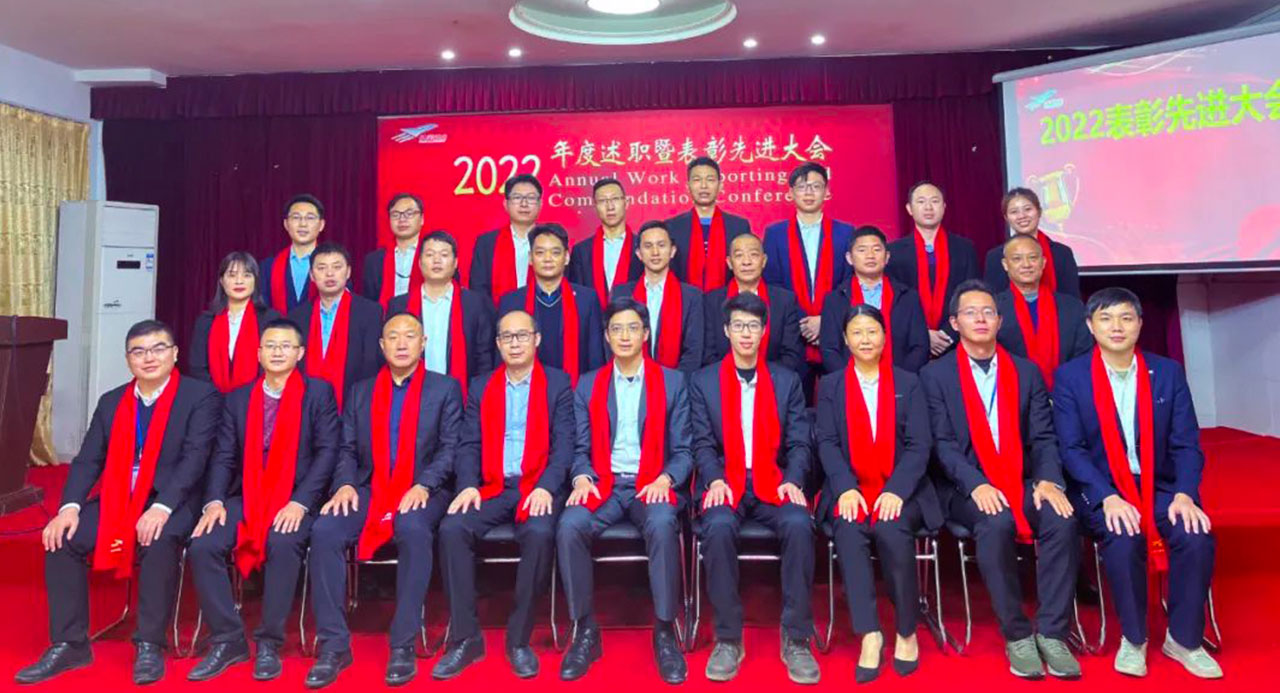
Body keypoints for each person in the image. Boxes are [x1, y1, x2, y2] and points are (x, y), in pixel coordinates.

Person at [16, 320, 221, 686]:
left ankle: (149, 643)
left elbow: (195, 459)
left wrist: (162, 507)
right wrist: (69, 508)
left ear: (175, 354)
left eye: (158, 349)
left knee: (158, 538)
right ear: (128, 360)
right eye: (138, 351)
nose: (149, 358)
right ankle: (70, 644)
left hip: (173, 499)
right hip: (119, 497)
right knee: (61, 539)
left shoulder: (200, 396)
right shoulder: (113, 401)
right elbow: (88, 460)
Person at [1052, 287, 1221, 679]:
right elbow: (1071, 450)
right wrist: (1106, 497)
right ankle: (1134, 638)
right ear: (1091, 326)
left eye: (1126, 318)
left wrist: (1185, 493)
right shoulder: (1071, 377)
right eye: (1106, 318)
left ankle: (1184, 639)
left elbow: (1186, 444)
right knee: (1123, 535)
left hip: (1159, 485)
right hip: (1101, 487)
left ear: (1140, 324)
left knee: (1195, 535)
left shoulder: (1167, 373)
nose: (1117, 327)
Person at [919, 279, 1081, 680]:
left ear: (999, 320)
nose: (980, 319)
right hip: (964, 486)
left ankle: (1053, 632)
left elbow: (1043, 437)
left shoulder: (1025, 372)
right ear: (954, 323)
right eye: (970, 312)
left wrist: (1047, 480)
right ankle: (1018, 633)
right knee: (995, 522)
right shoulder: (934, 375)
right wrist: (976, 483)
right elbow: (941, 444)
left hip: (1019, 480)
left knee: (1062, 519)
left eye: (988, 312)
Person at [303, 312, 463, 688]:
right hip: (369, 486)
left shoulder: (445, 389)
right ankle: (334, 645)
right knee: (325, 531)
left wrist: (424, 485)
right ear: (382, 345)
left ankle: (403, 643)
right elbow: (346, 448)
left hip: (425, 488)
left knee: (413, 528)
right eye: (393, 336)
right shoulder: (361, 391)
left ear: (423, 343)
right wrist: (344, 483)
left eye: (410, 336)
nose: (402, 343)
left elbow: (450, 449)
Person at [186, 319, 340, 682]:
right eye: (270, 346)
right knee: (203, 544)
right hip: (248, 493)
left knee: (283, 542)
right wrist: (214, 501)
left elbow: (327, 452)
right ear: (258, 353)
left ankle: (269, 641)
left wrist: (301, 502)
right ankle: (229, 638)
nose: (277, 352)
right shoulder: (239, 399)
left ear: (300, 353)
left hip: (296, 495)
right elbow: (224, 456)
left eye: (286, 346)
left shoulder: (318, 393)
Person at [432, 309, 575, 681]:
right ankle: (466, 638)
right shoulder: (482, 386)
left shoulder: (558, 383)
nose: (515, 343)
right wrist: (467, 485)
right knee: (452, 529)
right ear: (497, 344)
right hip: (493, 486)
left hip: (537, 485)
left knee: (540, 533)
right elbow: (468, 444)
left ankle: (519, 639)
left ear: (536, 340)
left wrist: (545, 487)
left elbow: (564, 448)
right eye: (507, 337)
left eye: (522, 335)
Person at [556, 298, 693, 683]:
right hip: (604, 482)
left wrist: (666, 479)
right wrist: (582, 476)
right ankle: (585, 630)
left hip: (652, 483)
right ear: (606, 336)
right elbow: (579, 448)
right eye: (616, 329)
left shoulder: (672, 382)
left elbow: (684, 451)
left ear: (646, 334)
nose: (625, 336)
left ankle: (664, 630)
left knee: (663, 524)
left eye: (633, 328)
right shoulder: (588, 384)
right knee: (569, 526)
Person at [689, 292, 819, 684]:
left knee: (799, 524)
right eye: (739, 326)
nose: (746, 333)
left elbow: (800, 442)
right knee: (717, 527)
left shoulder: (786, 380)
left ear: (764, 332)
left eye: (753, 326)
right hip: (725, 480)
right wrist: (713, 479)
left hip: (773, 480)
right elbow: (701, 443)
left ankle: (796, 637)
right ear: (727, 331)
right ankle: (729, 637)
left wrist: (793, 480)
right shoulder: (704, 381)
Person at [815, 305, 942, 682]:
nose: (865, 339)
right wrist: (845, 487)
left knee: (891, 527)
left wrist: (896, 491)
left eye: (872, 331)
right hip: (851, 488)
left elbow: (919, 445)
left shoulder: (908, 382)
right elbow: (827, 442)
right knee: (849, 529)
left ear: (885, 337)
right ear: (845, 339)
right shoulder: (831, 385)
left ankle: (906, 630)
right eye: (857, 332)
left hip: (903, 489)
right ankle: (870, 633)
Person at [762, 161, 855, 367]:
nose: (809, 192)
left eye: (816, 186)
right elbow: (772, 283)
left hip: (836, 332)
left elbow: (848, 281)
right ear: (791, 193)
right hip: (791, 333)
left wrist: (825, 319)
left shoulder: (845, 233)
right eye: (802, 187)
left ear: (826, 192)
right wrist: (803, 321)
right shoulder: (775, 234)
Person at [389, 230, 496, 398]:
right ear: (419, 263)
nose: (437, 260)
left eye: (444, 255)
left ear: (455, 263)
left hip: (462, 396)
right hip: (410, 395)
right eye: (430, 255)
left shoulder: (475, 304)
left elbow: (484, 357)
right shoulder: (399, 305)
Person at [497, 223, 605, 384]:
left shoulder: (587, 299)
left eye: (555, 252)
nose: (548, 259)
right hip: (526, 390)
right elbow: (502, 358)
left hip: (575, 391)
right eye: (540, 253)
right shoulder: (511, 302)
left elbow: (595, 356)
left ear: (566, 257)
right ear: (530, 258)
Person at [886, 181, 979, 358]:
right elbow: (895, 301)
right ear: (909, 209)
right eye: (921, 201)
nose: (928, 207)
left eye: (935, 201)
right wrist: (923, 334)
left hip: (956, 342)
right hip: (910, 346)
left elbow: (972, 295)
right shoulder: (894, 252)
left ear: (944, 207)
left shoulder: (964, 249)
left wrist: (948, 334)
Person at [819, 226, 929, 374]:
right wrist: (853, 380)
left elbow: (920, 347)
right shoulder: (834, 300)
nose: (870, 255)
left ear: (887, 257)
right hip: (849, 382)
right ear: (849, 258)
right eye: (862, 250)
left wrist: (900, 380)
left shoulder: (908, 297)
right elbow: (829, 350)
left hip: (900, 381)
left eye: (877, 250)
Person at [289, 242, 384, 410]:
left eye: (337, 267)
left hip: (355, 406)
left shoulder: (370, 312)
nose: (329, 273)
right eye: (321, 268)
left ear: (348, 272)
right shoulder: (298, 317)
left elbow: (370, 365)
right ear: (311, 275)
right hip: (306, 407)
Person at [993, 235, 1092, 389]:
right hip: (1011, 392)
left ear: (1043, 262)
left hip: (1065, 392)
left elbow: (1083, 355)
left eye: (1033, 258)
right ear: (1005, 264)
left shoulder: (1072, 307)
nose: (1026, 264)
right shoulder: (993, 308)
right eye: (1017, 259)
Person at [610, 220, 704, 372]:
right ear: (639, 254)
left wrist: (674, 383)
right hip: (631, 378)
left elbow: (693, 351)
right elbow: (612, 342)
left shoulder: (691, 296)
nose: (655, 252)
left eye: (661, 245)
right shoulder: (621, 293)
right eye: (648, 246)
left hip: (677, 383)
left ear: (672, 251)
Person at [703, 233, 804, 372]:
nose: (747, 262)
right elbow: (708, 354)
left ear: (764, 260)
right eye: (739, 255)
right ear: (729, 263)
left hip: (773, 380)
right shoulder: (712, 301)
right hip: (722, 380)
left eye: (754, 255)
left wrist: (759, 379)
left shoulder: (785, 300)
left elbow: (791, 355)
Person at [188, 251, 282, 392]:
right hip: (212, 398)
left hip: (257, 397)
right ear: (221, 280)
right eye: (232, 275)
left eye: (246, 275)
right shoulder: (206, 321)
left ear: (255, 281)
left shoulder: (271, 319)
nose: (239, 281)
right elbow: (197, 368)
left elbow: (274, 363)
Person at [665, 156, 752, 290]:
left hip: (729, 299)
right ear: (688, 186)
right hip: (683, 299)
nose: (704, 186)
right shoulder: (672, 227)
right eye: (697, 180)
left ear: (720, 186)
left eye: (710, 180)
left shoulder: (738, 226)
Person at [984, 188, 1081, 299]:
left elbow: (1073, 299)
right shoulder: (996, 256)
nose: (1022, 216)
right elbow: (992, 300)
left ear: (1039, 212)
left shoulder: (1062, 253)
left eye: (1028, 209)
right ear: (1006, 218)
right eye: (1014, 212)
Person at [569, 178, 644, 308]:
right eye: (603, 201)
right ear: (595, 207)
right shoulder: (581, 251)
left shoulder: (642, 246)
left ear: (626, 203)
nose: (610, 207)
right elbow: (578, 297)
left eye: (615, 199)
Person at [470, 175, 541, 304]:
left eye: (531, 198)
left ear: (540, 204)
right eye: (517, 198)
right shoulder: (487, 243)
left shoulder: (551, 242)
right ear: (506, 204)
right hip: (496, 315)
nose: (524, 204)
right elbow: (478, 291)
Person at [260, 194, 324, 314]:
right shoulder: (269, 267)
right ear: (286, 224)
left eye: (310, 218)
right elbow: (262, 311)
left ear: (321, 225)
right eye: (296, 217)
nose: (303, 224)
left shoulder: (334, 266)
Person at [363, 193, 426, 312]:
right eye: (396, 215)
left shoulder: (432, 255)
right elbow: (369, 303)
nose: (402, 219)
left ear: (422, 219)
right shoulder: (374, 260)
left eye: (409, 214)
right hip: (385, 320)